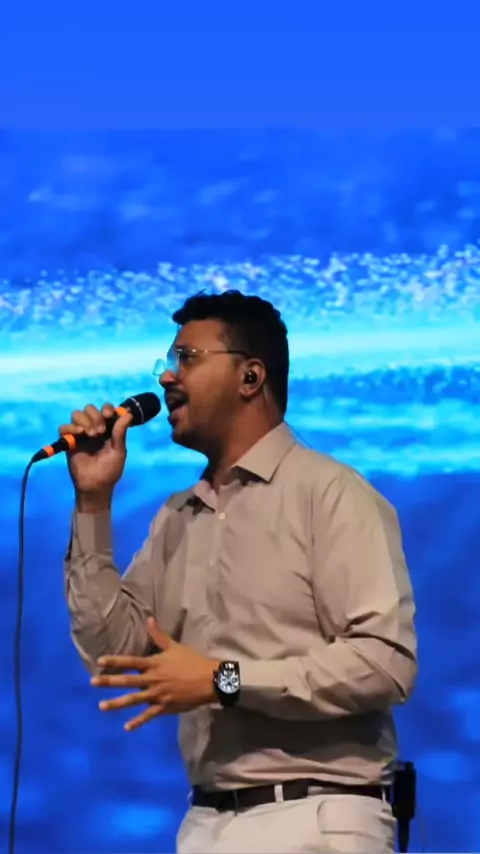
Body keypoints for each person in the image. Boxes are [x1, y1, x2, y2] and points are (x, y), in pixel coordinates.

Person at [62, 290, 417, 854]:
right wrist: (92, 502)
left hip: (318, 814)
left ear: (250, 377)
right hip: (206, 820)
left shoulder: (330, 494)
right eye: (167, 362)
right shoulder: (178, 517)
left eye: (186, 358)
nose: (167, 378)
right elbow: (114, 655)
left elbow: (385, 664)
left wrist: (223, 680)